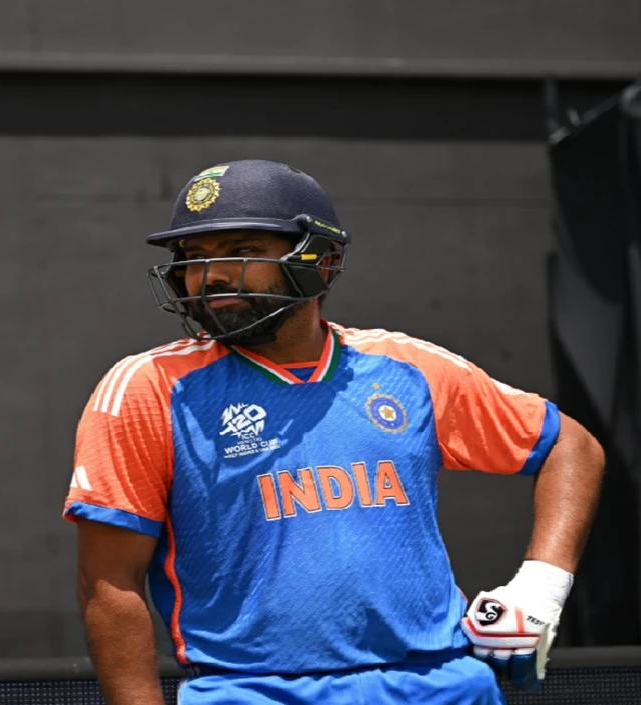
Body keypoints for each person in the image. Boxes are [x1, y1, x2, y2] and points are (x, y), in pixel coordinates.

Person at [63, 159, 605, 704]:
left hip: (441, 684)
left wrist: (540, 590)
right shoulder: (148, 387)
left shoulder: (409, 367)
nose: (212, 275)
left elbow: (570, 445)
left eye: (243, 250)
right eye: (194, 257)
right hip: (253, 692)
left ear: (321, 259)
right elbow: (109, 584)